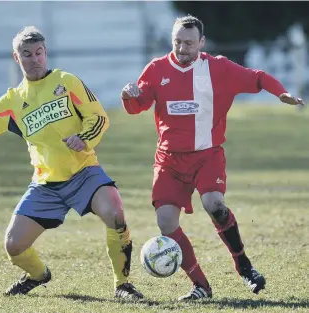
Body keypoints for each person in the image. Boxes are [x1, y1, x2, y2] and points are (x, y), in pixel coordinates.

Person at [121, 15, 305, 301]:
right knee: (166, 224)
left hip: (207, 154)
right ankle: (201, 286)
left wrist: (281, 92)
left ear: (201, 42)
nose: (182, 49)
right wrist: (128, 95)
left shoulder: (218, 67)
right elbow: (137, 106)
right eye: (178, 42)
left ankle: (243, 265)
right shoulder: (156, 69)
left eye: (189, 43)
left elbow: (258, 77)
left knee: (213, 203)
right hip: (168, 160)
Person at [0, 26, 144, 300]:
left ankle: (123, 285)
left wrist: (84, 138)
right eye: (27, 54)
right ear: (17, 58)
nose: (35, 59)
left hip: (84, 173)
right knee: (13, 246)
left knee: (115, 212)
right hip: (45, 185)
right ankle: (38, 275)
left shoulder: (67, 81)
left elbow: (98, 116)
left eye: (39, 53)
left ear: (45, 53)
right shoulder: (13, 101)